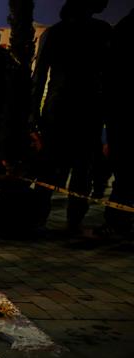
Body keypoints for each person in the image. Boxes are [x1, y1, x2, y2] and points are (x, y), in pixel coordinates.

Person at [31, 0, 112, 233]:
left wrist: (34, 115)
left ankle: (41, 220)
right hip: (86, 109)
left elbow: (38, 79)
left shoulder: (54, 33)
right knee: (80, 170)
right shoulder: (101, 31)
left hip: (61, 109)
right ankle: (72, 222)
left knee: (52, 169)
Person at [97, 7, 133, 237]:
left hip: (122, 115)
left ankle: (117, 222)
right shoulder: (124, 29)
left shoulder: (123, 29)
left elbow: (109, 80)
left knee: (124, 174)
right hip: (122, 114)